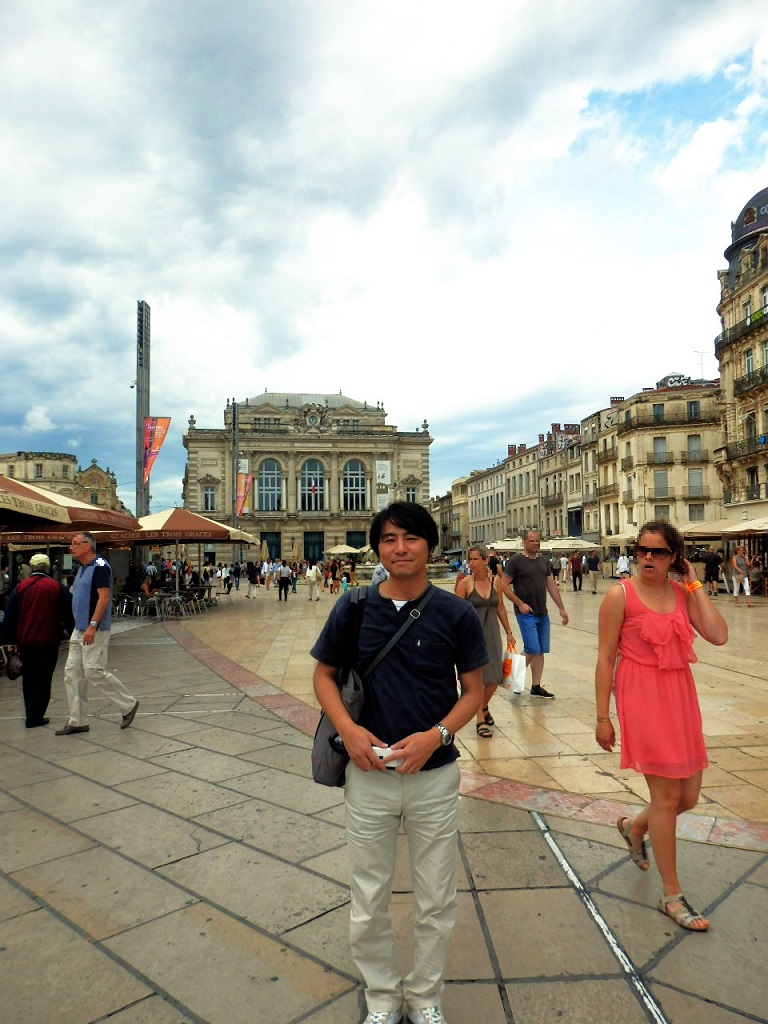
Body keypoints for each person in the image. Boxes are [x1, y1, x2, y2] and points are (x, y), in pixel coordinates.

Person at [311, 502, 487, 1024]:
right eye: (389, 539)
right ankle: (383, 999)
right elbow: (324, 677)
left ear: (429, 545)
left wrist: (437, 736)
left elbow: (475, 690)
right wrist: (348, 731)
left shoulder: (454, 613)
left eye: (411, 538)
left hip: (434, 777)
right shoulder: (354, 607)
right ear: (378, 548)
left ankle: (426, 997)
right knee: (368, 898)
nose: (400, 548)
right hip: (369, 777)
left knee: (436, 897)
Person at [595, 521, 727, 932]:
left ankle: (634, 827)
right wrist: (603, 717)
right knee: (667, 797)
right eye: (641, 550)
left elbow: (718, 635)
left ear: (674, 557)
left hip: (679, 696)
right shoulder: (620, 596)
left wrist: (695, 586)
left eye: (657, 551)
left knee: (687, 796)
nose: (647, 558)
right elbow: (604, 659)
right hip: (641, 696)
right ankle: (672, 895)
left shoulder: (679, 593)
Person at [56, 533, 140, 735]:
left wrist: (92, 625)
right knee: (72, 673)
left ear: (88, 546)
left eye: (76, 544)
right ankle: (77, 720)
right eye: (72, 544)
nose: (71, 547)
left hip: (93, 628)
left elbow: (104, 597)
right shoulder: (83, 568)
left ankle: (128, 705)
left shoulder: (100, 565)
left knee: (93, 670)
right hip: (79, 628)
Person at [2, 553, 74, 728]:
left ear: (32, 568)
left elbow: (9, 616)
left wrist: (9, 642)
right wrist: (73, 633)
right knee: (43, 678)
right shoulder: (56, 587)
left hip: (25, 642)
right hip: (49, 641)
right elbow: (69, 613)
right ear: (48, 568)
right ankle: (36, 715)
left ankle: (30, 714)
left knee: (28, 678)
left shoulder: (20, 587)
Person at [454, 543, 515, 737]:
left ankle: (483, 706)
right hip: (472, 636)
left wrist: (509, 632)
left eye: (475, 559)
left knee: (495, 677)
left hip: (492, 633)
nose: (471, 563)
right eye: (469, 559)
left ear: (484, 560)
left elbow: (501, 608)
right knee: (478, 679)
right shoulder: (465, 583)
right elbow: (455, 612)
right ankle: (480, 719)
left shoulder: (495, 582)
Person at [501, 529, 569, 699]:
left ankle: (536, 686)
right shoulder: (516, 561)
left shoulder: (543, 561)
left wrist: (561, 607)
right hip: (525, 613)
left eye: (537, 541)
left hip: (542, 612)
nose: (535, 544)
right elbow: (503, 585)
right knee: (532, 647)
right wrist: (520, 603)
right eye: (532, 541)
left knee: (540, 651)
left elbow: (550, 585)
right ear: (524, 542)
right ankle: (511, 676)